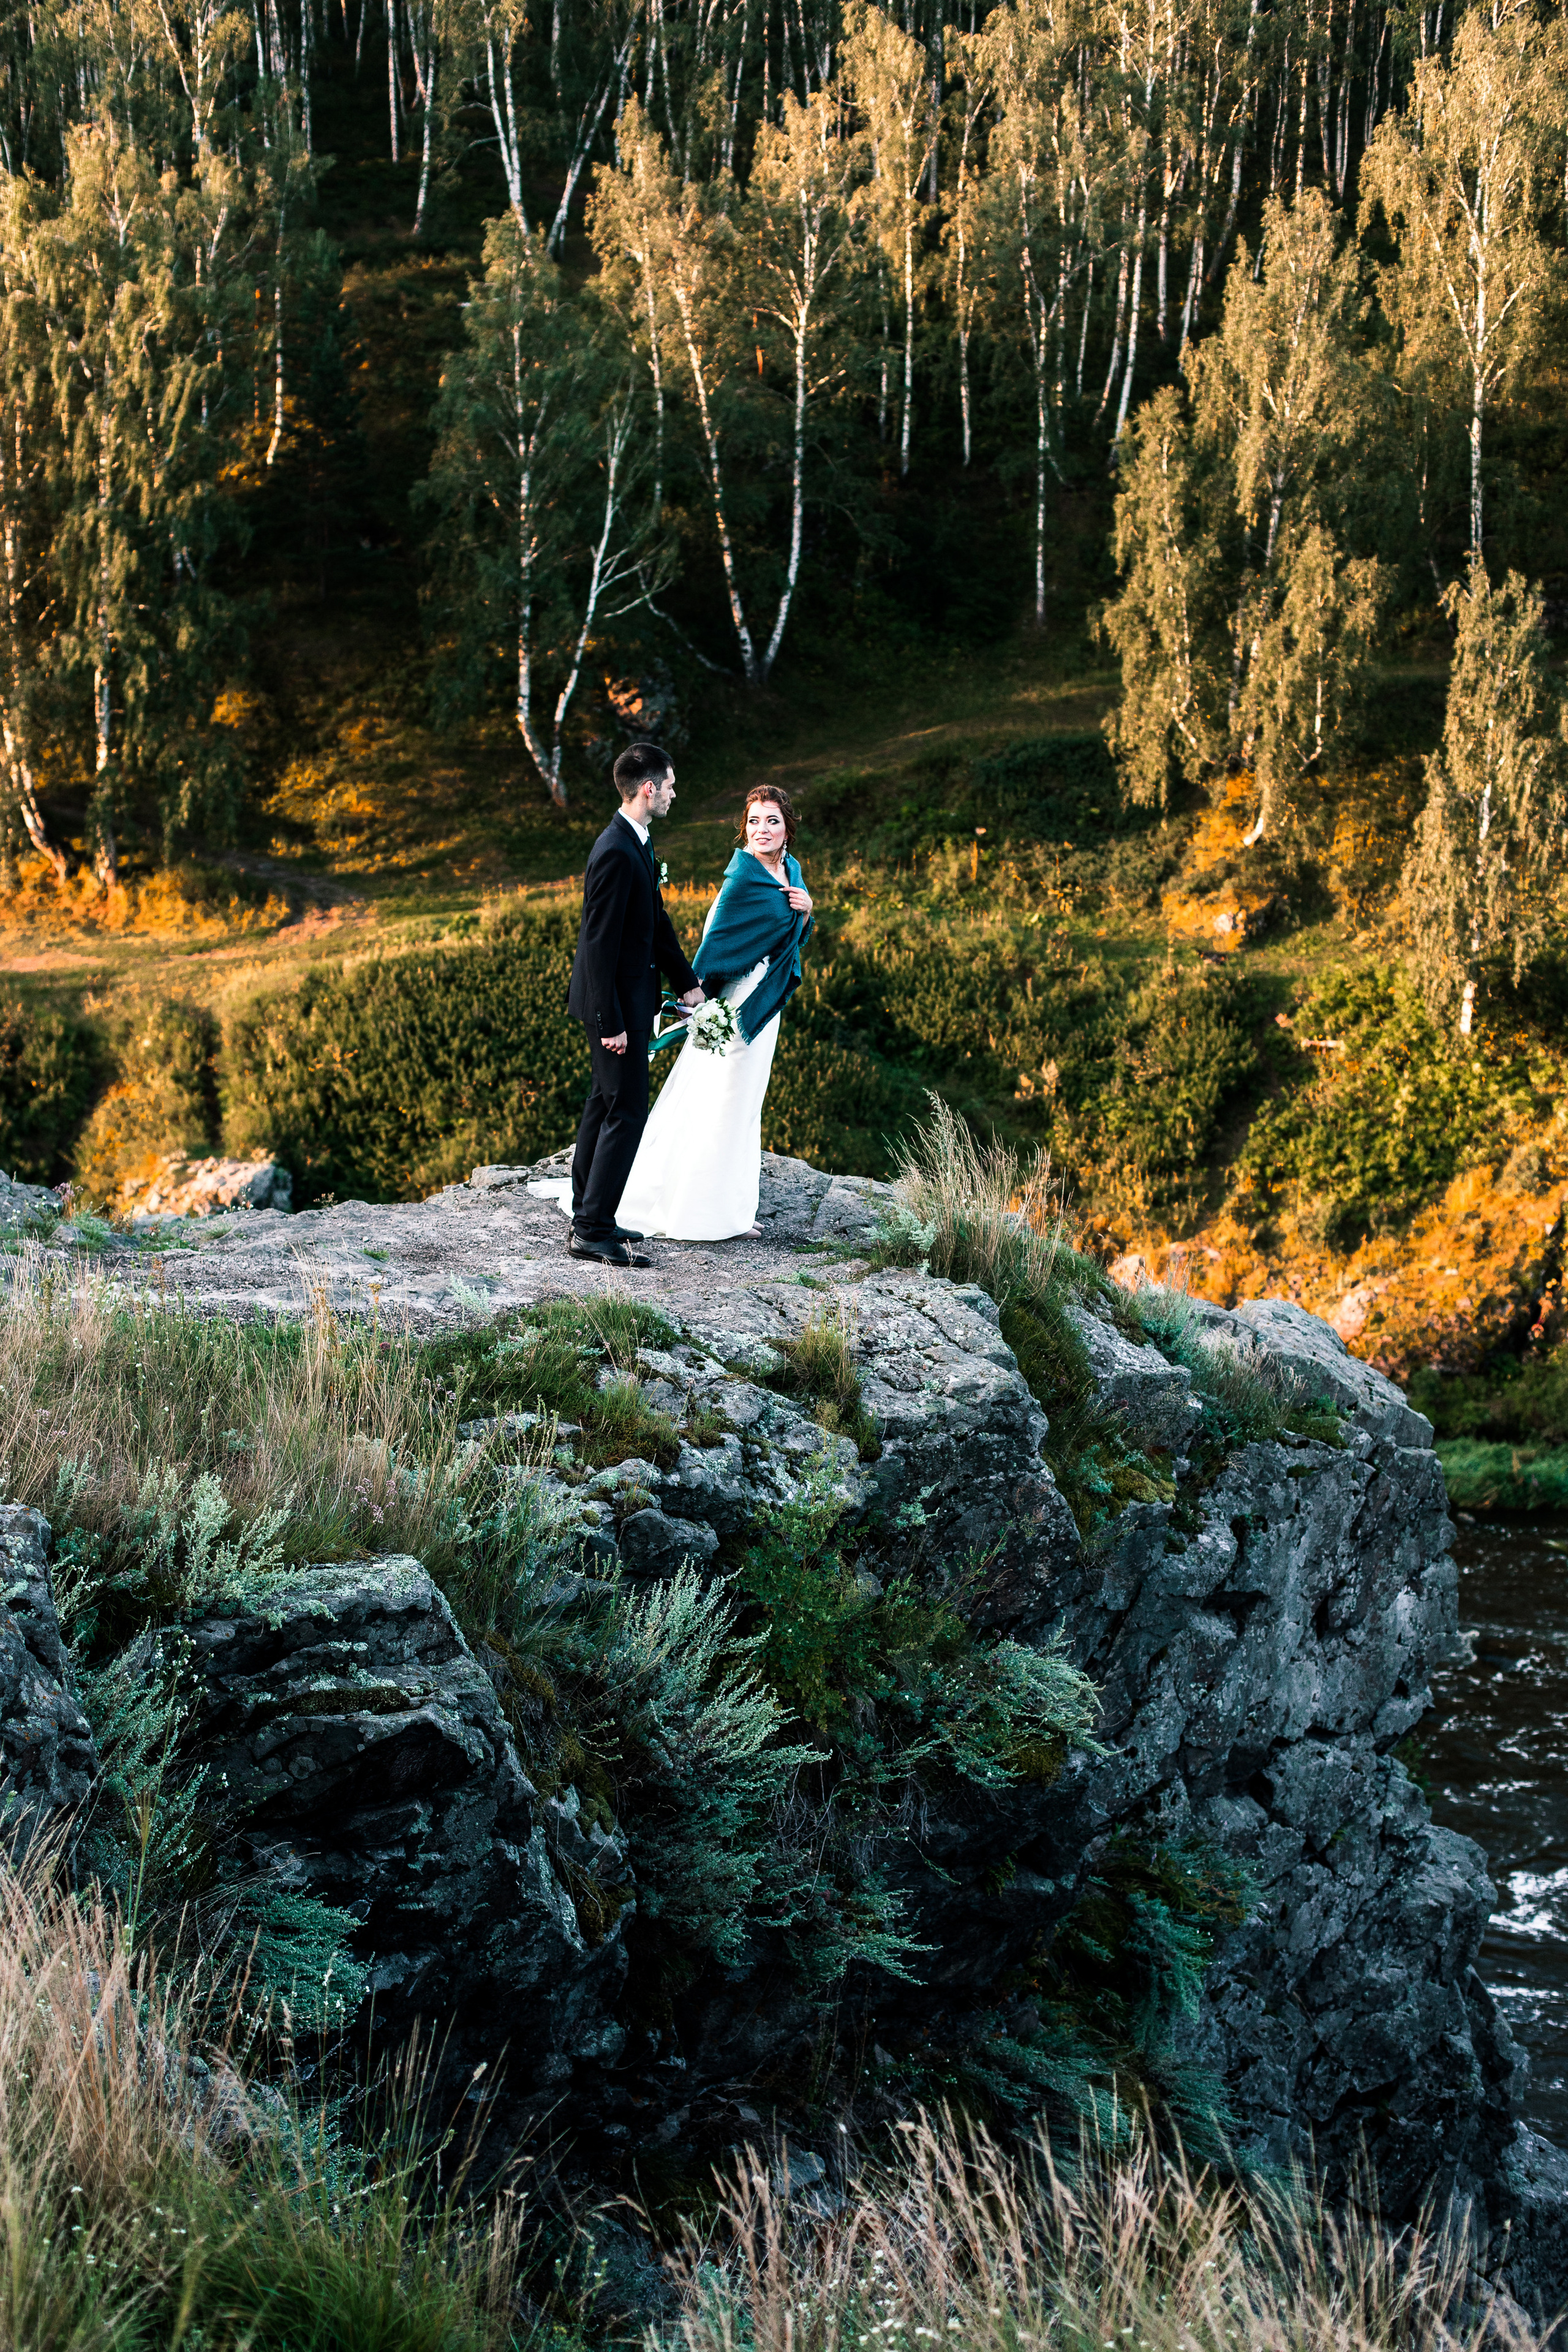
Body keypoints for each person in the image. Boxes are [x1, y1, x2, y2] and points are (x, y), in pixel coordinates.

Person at [617, 784, 813, 1243]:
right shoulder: (742, 881)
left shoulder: (791, 870)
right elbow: (714, 946)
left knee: (745, 1107)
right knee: (723, 1105)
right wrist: (699, 1002)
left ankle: (733, 1209)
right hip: (737, 1012)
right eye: (754, 821)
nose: (762, 830)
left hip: (764, 1009)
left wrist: (807, 912)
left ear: (787, 830)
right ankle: (703, 1214)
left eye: (772, 821)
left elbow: (788, 941)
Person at [565, 742, 703, 1268]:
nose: (673, 794)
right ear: (649, 788)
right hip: (615, 1008)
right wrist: (611, 1022)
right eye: (670, 785)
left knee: (604, 1104)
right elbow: (597, 943)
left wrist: (687, 983)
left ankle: (589, 1211)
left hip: (624, 1002)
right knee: (625, 1113)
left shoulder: (636, 840)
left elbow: (655, 922)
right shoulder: (616, 851)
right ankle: (592, 1231)